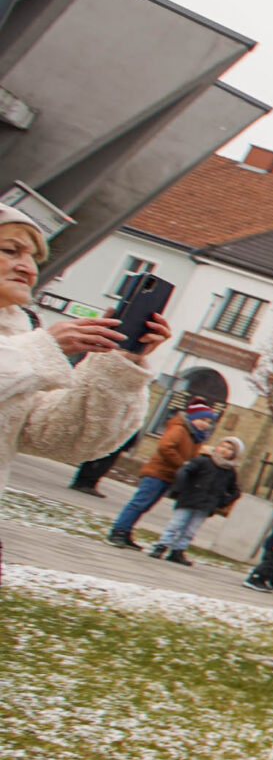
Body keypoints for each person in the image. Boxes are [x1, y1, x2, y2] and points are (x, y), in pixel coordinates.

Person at [0, 203, 158, 581]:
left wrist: (119, 360)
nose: (29, 267)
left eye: (34, 256)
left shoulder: (16, 337)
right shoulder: (28, 347)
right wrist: (42, 348)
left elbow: (62, 439)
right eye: (10, 250)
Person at [107, 398, 219, 548]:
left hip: (168, 475)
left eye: (208, 421)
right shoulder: (179, 429)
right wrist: (183, 464)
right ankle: (118, 531)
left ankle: (126, 531)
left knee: (145, 505)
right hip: (157, 472)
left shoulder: (195, 436)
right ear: (193, 417)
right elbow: (165, 447)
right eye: (202, 419)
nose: (205, 424)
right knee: (139, 503)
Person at [149, 435, 243, 564]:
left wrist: (222, 501)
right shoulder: (203, 461)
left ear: (234, 454)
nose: (224, 450)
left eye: (229, 449)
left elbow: (235, 490)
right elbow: (184, 472)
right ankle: (161, 546)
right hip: (189, 498)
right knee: (176, 524)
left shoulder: (230, 472)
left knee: (191, 529)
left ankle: (178, 550)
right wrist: (179, 489)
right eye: (223, 446)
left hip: (206, 504)